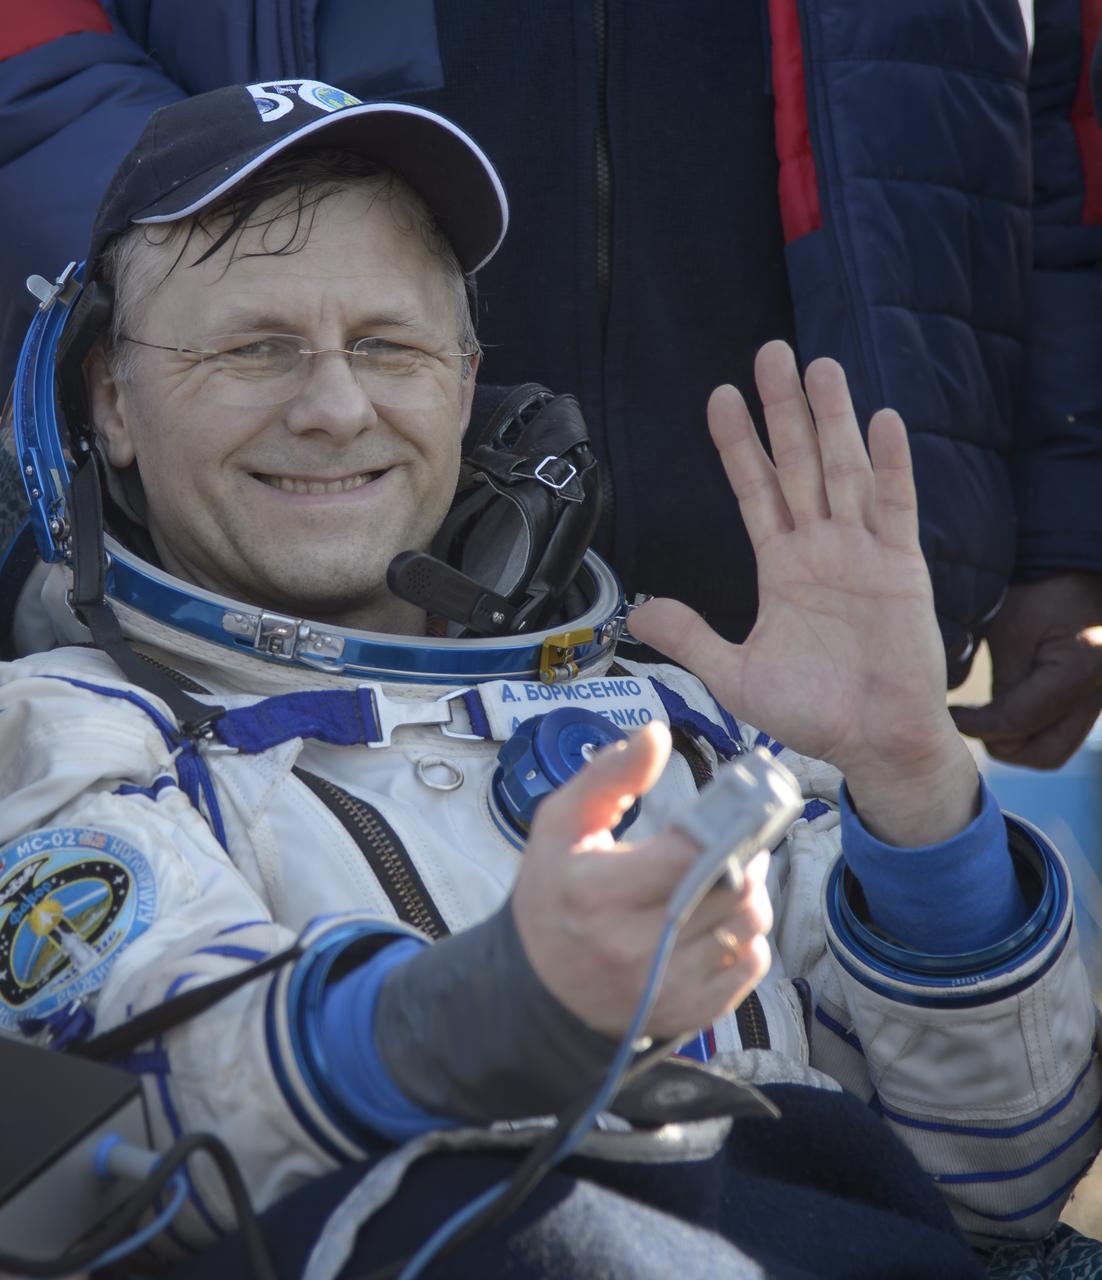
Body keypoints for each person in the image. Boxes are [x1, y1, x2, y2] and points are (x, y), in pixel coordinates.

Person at [0, 82, 1098, 1279]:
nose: (332, 405)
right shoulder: (66, 736)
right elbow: (127, 1107)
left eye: (388, 344)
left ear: (465, 381)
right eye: (253, 347)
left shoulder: (687, 718)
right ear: (109, 398)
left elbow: (999, 1184)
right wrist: (488, 1013)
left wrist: (914, 792)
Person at [2, 2, 1102, 771]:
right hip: (257, 619)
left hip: (815, 555)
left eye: (382, 352)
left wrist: (1068, 510)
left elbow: (1066, 89)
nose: (337, 399)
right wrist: (212, 247)